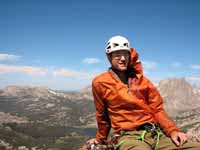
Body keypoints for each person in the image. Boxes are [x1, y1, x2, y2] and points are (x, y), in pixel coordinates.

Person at [87, 35, 200, 150]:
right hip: (128, 137)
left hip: (155, 134)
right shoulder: (100, 82)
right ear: (109, 57)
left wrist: (173, 131)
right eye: (117, 55)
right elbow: (102, 115)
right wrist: (100, 139)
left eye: (125, 54)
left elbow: (157, 109)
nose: (122, 58)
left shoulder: (143, 81)